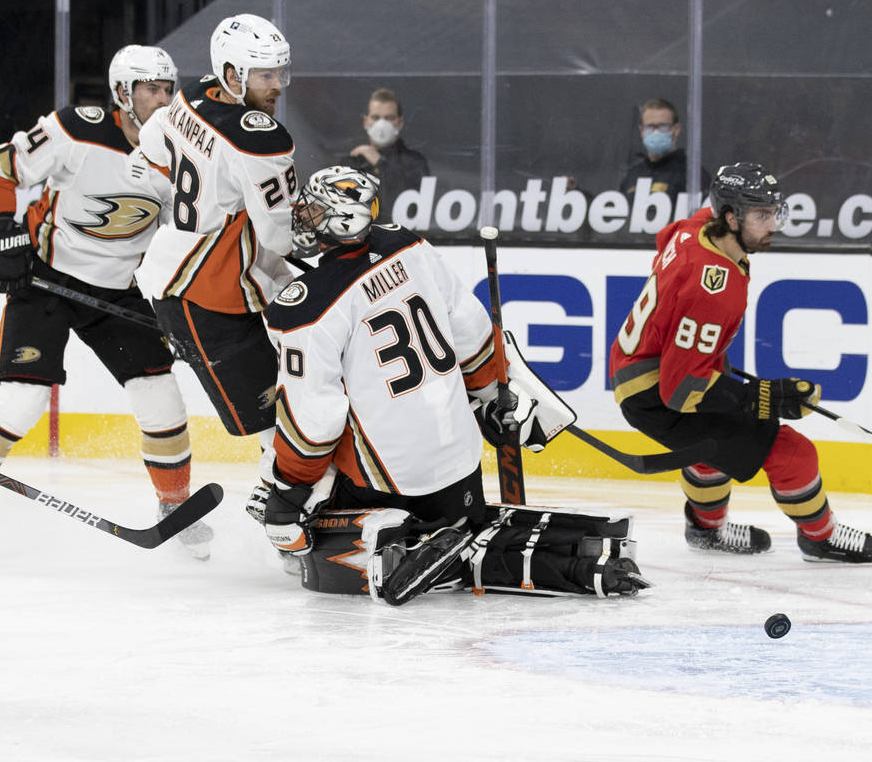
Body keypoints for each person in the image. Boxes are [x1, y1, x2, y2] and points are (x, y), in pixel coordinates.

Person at [253, 165, 649, 604]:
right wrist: (487, 402)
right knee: (445, 498)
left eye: (314, 208)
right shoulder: (410, 245)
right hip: (462, 469)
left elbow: (315, 421)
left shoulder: (305, 308)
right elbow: (474, 332)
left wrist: (287, 494)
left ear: (340, 219)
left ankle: (389, 540)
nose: (303, 214)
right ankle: (530, 551)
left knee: (286, 467)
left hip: (391, 486)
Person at [0, 45, 212, 558]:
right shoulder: (77, 129)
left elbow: (183, 243)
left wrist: (179, 307)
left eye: (169, 89)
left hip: (120, 291)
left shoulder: (183, 157)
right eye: (151, 90)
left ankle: (174, 507)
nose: (163, 100)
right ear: (124, 93)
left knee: (160, 395)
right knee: (22, 399)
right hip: (46, 282)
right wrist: (5, 231)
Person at [608, 162, 872, 563]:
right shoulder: (711, 288)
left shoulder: (696, 229)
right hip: (657, 394)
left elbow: (665, 237)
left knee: (711, 448)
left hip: (636, 365)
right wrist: (764, 397)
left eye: (774, 212)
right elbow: (682, 389)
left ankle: (705, 530)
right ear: (730, 217)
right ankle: (820, 537)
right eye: (761, 215)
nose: (773, 224)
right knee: (794, 453)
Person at [135, 13, 297, 487]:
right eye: (265, 75)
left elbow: (151, 144)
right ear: (232, 75)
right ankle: (286, 530)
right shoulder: (260, 139)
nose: (277, 85)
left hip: (211, 284)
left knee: (301, 406)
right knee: (283, 426)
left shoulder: (191, 97)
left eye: (280, 72)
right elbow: (281, 238)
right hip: (207, 299)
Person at [338, 87, 430, 193]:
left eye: (389, 118)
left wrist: (379, 162)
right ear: (366, 121)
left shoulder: (415, 163)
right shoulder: (352, 164)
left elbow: (409, 202)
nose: (381, 124)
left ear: (400, 122)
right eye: (375, 117)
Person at [619, 98, 710, 203]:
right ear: (642, 131)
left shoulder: (691, 175)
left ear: (676, 129)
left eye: (663, 126)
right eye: (650, 127)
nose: (656, 132)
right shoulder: (632, 175)